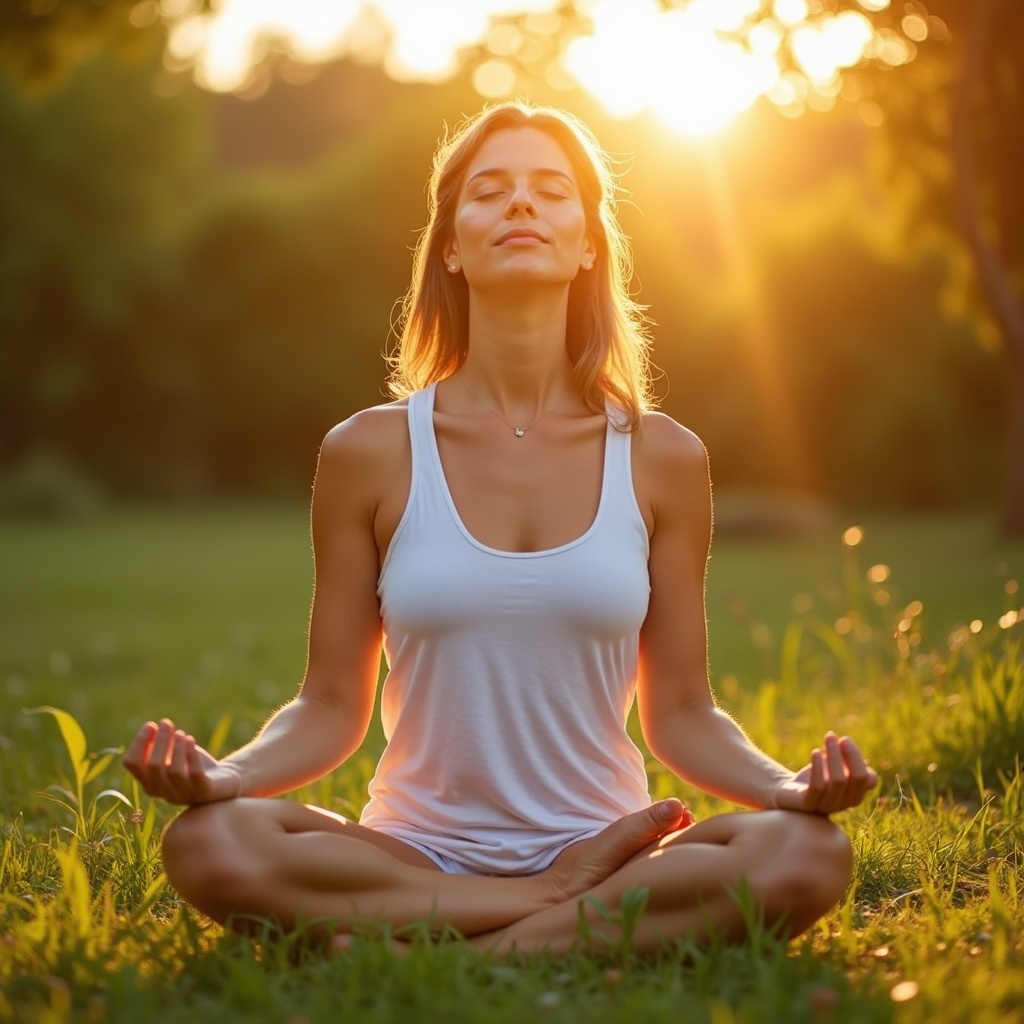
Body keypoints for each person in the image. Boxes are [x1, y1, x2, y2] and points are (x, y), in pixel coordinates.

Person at [124, 100, 878, 956]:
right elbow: (331, 704)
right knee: (208, 839)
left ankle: (448, 948)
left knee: (807, 852)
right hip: (414, 852)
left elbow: (682, 712)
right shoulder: (369, 450)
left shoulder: (663, 457)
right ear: (451, 244)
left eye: (551, 190)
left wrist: (785, 790)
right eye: (490, 191)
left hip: (608, 845)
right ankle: (558, 919)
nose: (521, 204)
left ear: (590, 241)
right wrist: (228, 777)